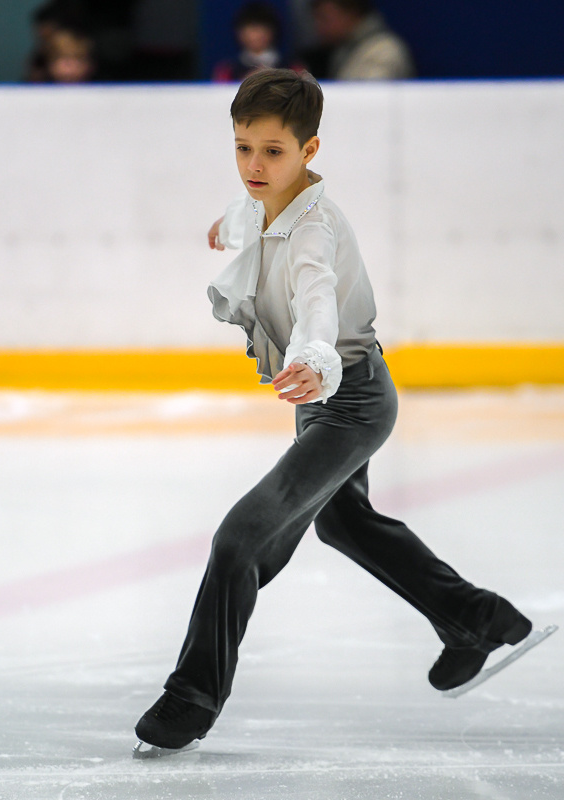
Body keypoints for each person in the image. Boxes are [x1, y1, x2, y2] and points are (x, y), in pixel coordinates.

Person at [134, 68, 531, 753]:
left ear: (309, 151)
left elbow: (316, 303)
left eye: (273, 151)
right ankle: (474, 617)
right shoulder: (267, 200)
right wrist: (226, 224)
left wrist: (315, 359)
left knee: (240, 541)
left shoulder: (315, 233)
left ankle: (191, 697)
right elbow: (251, 217)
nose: (254, 166)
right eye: (242, 148)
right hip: (330, 404)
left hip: (349, 398)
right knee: (344, 523)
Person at [308, 0, 415, 80]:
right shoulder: (342, 49)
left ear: (350, 13)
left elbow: (370, 103)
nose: (317, 26)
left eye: (323, 18)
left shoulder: (384, 52)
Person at [213, 2, 304, 83]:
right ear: (239, 33)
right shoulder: (227, 71)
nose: (256, 35)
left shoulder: (293, 68)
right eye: (250, 29)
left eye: (261, 28)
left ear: (273, 31)